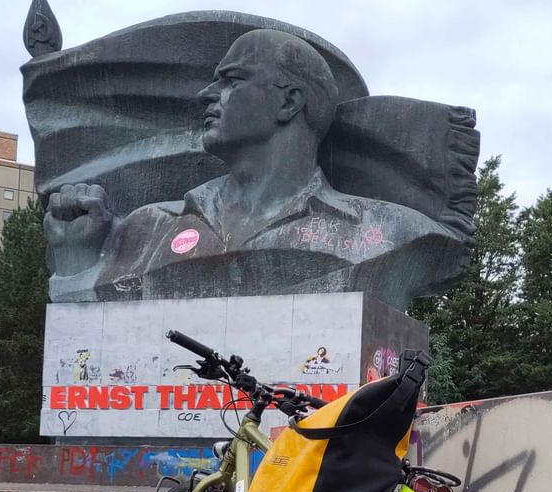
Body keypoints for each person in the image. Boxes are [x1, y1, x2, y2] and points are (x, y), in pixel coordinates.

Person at [45, 29, 461, 308]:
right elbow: (92, 344)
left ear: (289, 102)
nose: (207, 94)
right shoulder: (145, 229)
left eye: (231, 80)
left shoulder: (393, 232)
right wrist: (78, 260)